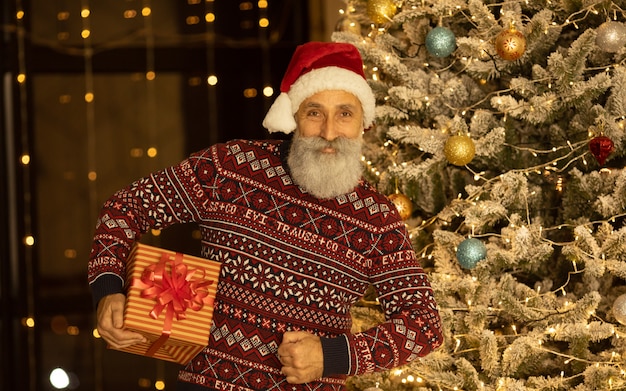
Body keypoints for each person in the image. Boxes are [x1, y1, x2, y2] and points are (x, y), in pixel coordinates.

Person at [88, 41, 443, 391]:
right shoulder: (229, 167)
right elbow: (126, 207)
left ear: (363, 122)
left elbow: (424, 326)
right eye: (314, 112)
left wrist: (332, 356)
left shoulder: (377, 219)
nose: (330, 131)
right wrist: (108, 290)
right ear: (293, 116)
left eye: (345, 114)